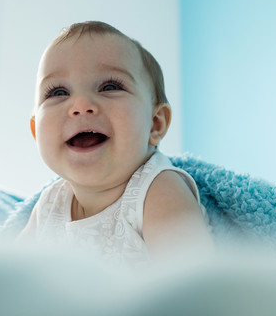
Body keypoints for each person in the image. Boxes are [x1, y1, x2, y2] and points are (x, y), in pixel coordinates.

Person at [19, 21, 212, 268]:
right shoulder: (48, 206)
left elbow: (195, 290)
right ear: (36, 131)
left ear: (154, 124)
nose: (80, 105)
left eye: (110, 87)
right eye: (58, 92)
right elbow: (10, 284)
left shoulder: (157, 193)